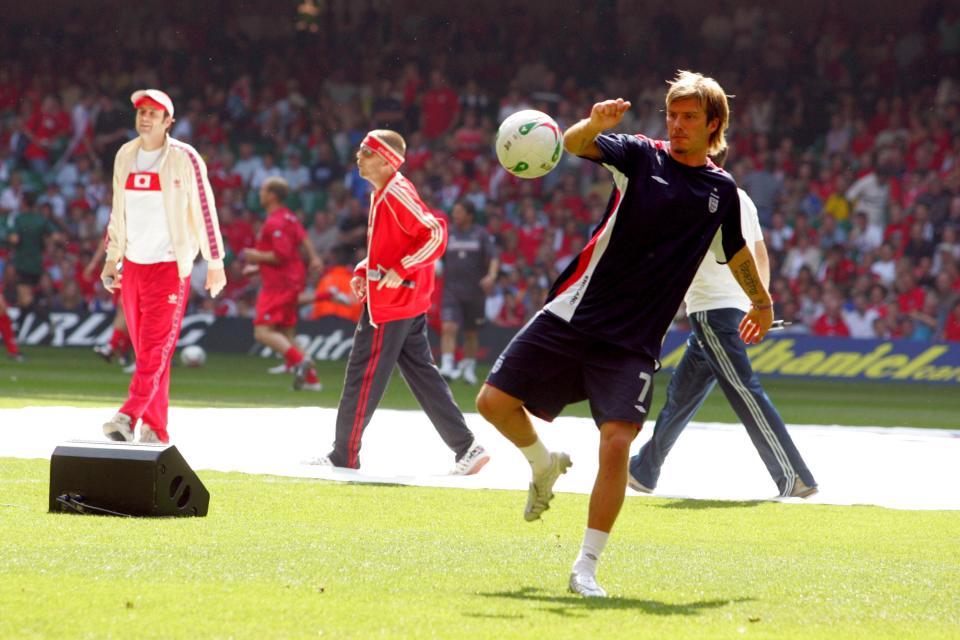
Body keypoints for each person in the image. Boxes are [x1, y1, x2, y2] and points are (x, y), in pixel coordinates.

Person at [475, 71, 774, 598]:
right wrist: (594, 122)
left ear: (713, 125)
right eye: (671, 116)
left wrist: (761, 298)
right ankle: (543, 463)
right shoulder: (640, 154)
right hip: (574, 312)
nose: (676, 126)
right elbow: (572, 144)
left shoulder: (721, 190)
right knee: (492, 402)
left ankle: (585, 568)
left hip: (633, 340)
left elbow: (733, 251)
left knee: (615, 444)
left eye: (688, 118)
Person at [628, 148, 818, 500]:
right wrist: (757, 304)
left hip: (711, 308)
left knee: (744, 390)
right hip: (731, 307)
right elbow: (759, 254)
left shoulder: (693, 196)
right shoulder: (741, 197)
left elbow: (680, 260)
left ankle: (794, 474)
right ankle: (644, 470)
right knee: (681, 395)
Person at [302, 129, 489, 476]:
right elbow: (393, 246)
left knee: (362, 375)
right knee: (423, 377)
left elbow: (436, 233)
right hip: (404, 301)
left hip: (389, 306)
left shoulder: (395, 194)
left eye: (365, 151)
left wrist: (402, 268)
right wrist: (364, 269)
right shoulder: (385, 192)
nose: (358, 156)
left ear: (386, 159)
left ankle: (344, 453)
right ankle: (467, 447)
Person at [100, 89, 227, 444]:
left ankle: (128, 415)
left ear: (168, 121)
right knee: (148, 354)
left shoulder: (185, 158)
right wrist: (112, 258)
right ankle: (156, 429)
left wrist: (214, 260)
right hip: (134, 267)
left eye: (154, 113)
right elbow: (118, 211)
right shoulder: (125, 155)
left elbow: (205, 208)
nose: (145, 117)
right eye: (141, 111)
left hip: (169, 268)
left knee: (155, 350)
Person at [241, 175, 323, 388]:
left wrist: (255, 256)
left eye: (263, 191)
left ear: (272, 196)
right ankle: (312, 381)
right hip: (291, 279)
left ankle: (300, 361)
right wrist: (314, 257)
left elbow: (281, 255)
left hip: (279, 284)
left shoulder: (275, 221)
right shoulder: (288, 217)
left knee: (263, 331)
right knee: (287, 333)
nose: (260, 194)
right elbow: (302, 238)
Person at [438, 200, 499, 385]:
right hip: (451, 290)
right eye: (454, 211)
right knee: (448, 327)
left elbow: (494, 257)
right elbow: (436, 255)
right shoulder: (448, 232)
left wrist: (491, 276)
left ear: (469, 215)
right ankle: (447, 366)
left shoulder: (480, 234)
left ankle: (469, 368)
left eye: (459, 211)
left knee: (471, 333)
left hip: (474, 292)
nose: (455, 215)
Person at [86, 240, 133, 369]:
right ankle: (122, 351)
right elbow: (107, 241)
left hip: (133, 265)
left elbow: (105, 242)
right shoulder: (120, 222)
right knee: (125, 310)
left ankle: (114, 347)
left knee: (126, 308)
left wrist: (93, 264)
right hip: (124, 265)